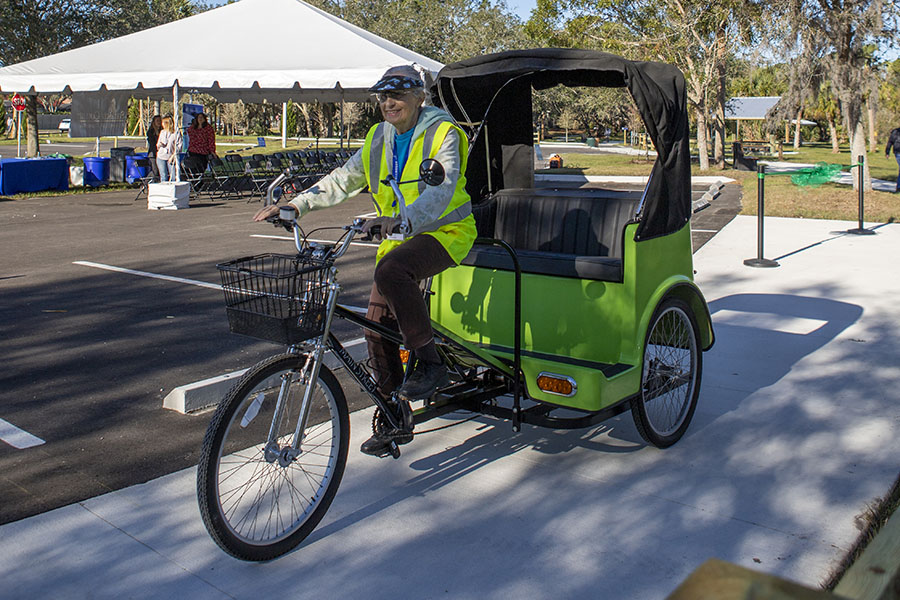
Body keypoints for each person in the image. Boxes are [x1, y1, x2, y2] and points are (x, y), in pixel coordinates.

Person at [253, 65, 476, 457]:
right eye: (383, 97)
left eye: (399, 96)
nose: (389, 103)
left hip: (445, 232)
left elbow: (441, 192)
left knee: (391, 271)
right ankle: (394, 416)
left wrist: (401, 221)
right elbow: (344, 179)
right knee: (375, 329)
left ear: (419, 98)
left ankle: (430, 362)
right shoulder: (379, 137)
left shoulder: (444, 133)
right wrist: (296, 205)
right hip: (399, 237)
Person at [156, 115, 181, 182]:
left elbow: (179, 146)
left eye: (163, 123)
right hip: (161, 156)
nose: (162, 124)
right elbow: (158, 144)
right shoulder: (162, 132)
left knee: (173, 176)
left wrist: (173, 156)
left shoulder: (176, 133)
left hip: (171, 156)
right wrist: (160, 145)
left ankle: (173, 189)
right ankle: (164, 190)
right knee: (163, 176)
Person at [146, 115, 162, 182]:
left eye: (160, 121)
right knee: (155, 171)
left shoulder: (162, 131)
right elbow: (152, 144)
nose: (159, 122)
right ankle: (146, 182)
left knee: (159, 170)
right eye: (157, 121)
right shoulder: (151, 132)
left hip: (161, 154)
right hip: (153, 154)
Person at [885, 126, 900, 193]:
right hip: (898, 152)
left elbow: (890, 142)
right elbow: (890, 142)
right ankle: (899, 187)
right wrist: (887, 152)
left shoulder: (894, 132)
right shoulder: (895, 132)